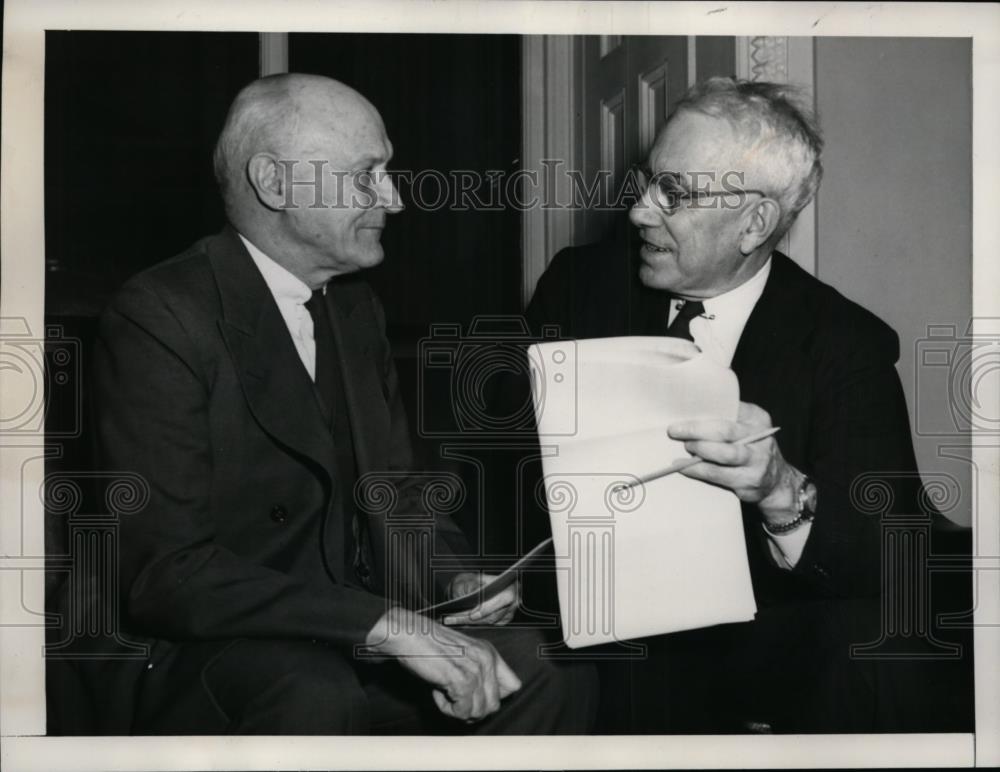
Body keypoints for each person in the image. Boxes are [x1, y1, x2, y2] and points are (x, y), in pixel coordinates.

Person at [92, 73, 596, 735]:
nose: (392, 197)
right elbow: (169, 575)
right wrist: (384, 625)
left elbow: (400, 491)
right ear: (275, 183)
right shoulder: (162, 315)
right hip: (211, 651)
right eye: (366, 175)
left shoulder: (353, 307)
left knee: (540, 666)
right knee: (317, 691)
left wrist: (454, 578)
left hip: (345, 632)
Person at [524, 77, 972, 733]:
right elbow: (506, 466)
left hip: (750, 650)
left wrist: (782, 490)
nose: (640, 212)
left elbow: (885, 552)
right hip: (591, 633)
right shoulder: (577, 287)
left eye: (674, 192)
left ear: (754, 222)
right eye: (648, 182)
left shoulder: (845, 346)